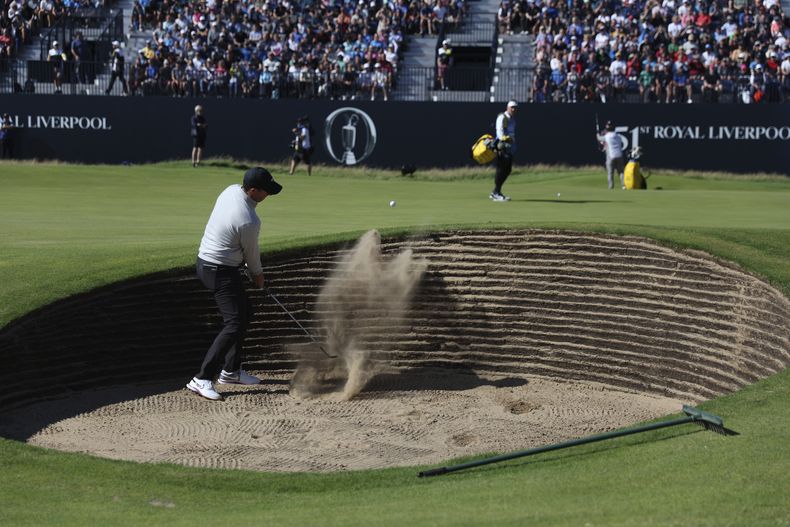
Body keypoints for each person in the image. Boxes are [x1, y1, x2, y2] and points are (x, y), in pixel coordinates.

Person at [187, 167, 283, 401]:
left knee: (245, 313)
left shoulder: (231, 190)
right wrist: (258, 276)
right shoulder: (248, 220)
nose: (268, 195)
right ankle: (202, 378)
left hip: (212, 264)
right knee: (234, 323)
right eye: (265, 191)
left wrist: (251, 271)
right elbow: (252, 256)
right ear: (252, 191)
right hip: (217, 270)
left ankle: (230, 371)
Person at [491, 100, 517, 202]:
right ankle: (496, 193)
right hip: (502, 147)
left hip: (509, 147)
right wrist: (504, 140)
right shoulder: (502, 117)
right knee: (501, 169)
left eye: (515, 108)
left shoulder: (513, 120)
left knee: (507, 170)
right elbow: (499, 132)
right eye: (512, 107)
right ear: (508, 108)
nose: (514, 109)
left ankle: (496, 191)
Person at [597, 121, 625, 190]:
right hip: (619, 155)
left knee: (610, 173)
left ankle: (611, 187)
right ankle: (624, 186)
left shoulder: (606, 136)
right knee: (621, 172)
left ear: (607, 130)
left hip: (611, 156)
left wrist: (597, 135)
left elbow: (599, 138)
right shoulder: (618, 136)